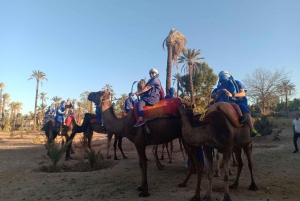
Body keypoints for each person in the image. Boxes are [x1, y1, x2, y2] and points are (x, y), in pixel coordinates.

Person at [217, 71, 261, 137]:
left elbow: (243, 93)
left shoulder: (237, 83)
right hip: (223, 102)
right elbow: (216, 97)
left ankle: (252, 130)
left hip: (238, 101)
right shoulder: (220, 87)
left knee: (242, 107)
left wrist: (232, 95)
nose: (223, 81)